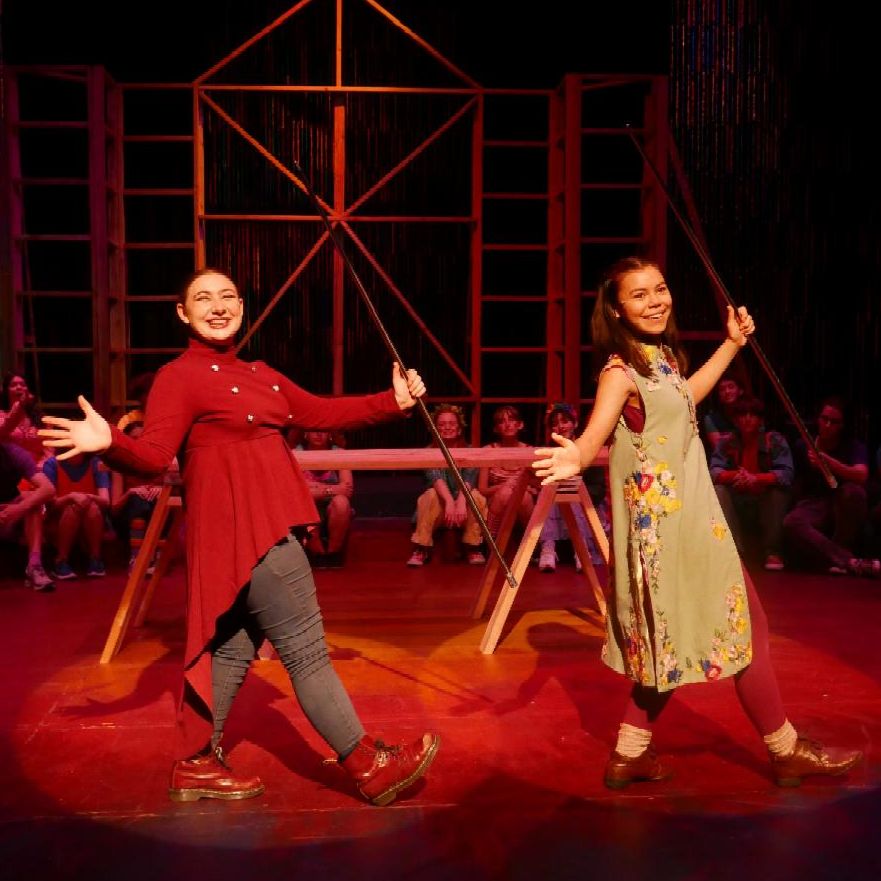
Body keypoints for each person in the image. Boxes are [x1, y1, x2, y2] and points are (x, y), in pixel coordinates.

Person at [40, 267, 439, 806]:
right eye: (203, 298)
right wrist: (109, 441)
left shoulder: (262, 375)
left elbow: (323, 411)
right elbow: (154, 456)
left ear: (243, 308)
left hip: (259, 527)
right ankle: (368, 764)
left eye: (227, 296)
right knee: (306, 652)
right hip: (249, 531)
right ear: (183, 314)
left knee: (229, 649)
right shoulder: (179, 377)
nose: (218, 306)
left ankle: (195, 763)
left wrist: (392, 401)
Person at [532, 255, 861, 789]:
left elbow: (685, 395)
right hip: (668, 533)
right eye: (639, 295)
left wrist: (732, 344)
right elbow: (594, 436)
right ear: (615, 309)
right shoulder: (620, 372)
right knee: (746, 626)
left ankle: (630, 753)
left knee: (670, 638)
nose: (655, 301)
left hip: (692, 520)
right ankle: (785, 750)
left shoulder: (658, 359)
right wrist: (578, 455)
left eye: (660, 289)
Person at [782, 395, 880, 578]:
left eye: (834, 422)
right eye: (824, 419)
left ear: (842, 425)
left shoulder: (853, 445)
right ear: (818, 419)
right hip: (813, 503)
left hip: (841, 503)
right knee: (791, 522)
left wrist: (828, 462)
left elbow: (861, 474)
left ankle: (839, 555)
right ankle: (848, 561)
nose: (827, 425)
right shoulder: (803, 444)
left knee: (854, 492)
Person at [709, 394, 793, 571]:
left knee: (778, 493)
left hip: (764, 498)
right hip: (738, 498)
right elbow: (714, 472)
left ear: (760, 419)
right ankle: (734, 552)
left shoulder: (773, 440)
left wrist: (756, 479)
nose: (747, 419)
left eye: (753, 414)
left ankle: (773, 552)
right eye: (743, 414)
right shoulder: (727, 441)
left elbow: (786, 473)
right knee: (718, 490)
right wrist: (736, 476)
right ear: (735, 419)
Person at [406, 403, 488, 567]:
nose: (447, 427)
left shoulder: (470, 451)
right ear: (435, 429)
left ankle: (472, 547)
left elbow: (470, 479)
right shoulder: (428, 452)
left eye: (451, 423)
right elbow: (435, 477)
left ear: (459, 429)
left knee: (476, 497)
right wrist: (450, 501)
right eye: (442, 424)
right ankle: (421, 548)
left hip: (463, 510)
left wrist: (461, 502)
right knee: (430, 495)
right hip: (441, 509)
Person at [536, 402, 610, 573]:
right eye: (555, 423)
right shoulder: (548, 452)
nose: (560, 427)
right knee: (551, 491)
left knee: (568, 492)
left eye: (564, 421)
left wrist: (576, 490)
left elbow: (598, 489)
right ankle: (548, 547)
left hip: (587, 506)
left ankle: (581, 550)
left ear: (575, 424)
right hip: (558, 509)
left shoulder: (587, 449)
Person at [42, 450, 112, 578]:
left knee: (92, 508)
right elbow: (51, 504)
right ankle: (61, 560)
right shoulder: (52, 464)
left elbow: (105, 501)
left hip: (91, 516)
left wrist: (88, 497)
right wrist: (71, 497)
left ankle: (95, 558)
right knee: (72, 508)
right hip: (59, 518)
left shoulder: (97, 463)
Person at [291, 428, 354, 568]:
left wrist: (314, 487)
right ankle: (317, 553)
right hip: (307, 508)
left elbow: (347, 490)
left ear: (330, 433)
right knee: (304, 501)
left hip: (332, 509)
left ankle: (333, 553)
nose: (319, 434)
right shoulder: (295, 454)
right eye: (313, 430)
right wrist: (333, 489)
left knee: (341, 502)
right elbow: (298, 492)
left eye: (323, 430)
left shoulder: (339, 453)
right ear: (305, 433)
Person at [0, 441, 55, 591]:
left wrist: (18, 509)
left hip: (8, 515)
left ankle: (34, 565)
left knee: (31, 499)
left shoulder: (12, 452)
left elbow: (48, 489)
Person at [478, 404, 538, 537]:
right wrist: (505, 485)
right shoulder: (488, 450)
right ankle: (492, 540)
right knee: (505, 493)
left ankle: (531, 542)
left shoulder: (530, 451)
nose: (507, 424)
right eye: (502, 421)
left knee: (524, 496)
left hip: (524, 504)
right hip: (496, 502)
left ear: (520, 425)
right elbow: (482, 489)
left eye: (511, 419)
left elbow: (538, 485)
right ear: (496, 428)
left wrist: (523, 486)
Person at [0, 372, 47, 466]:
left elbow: (48, 448)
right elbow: (5, 428)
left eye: (23, 385)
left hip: (39, 468)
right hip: (11, 469)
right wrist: (20, 405)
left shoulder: (39, 417)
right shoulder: (1, 415)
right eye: (13, 385)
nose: (19, 387)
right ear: (6, 391)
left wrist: (42, 466)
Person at [701, 370, 744, 454]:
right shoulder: (711, 419)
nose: (727, 392)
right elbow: (718, 448)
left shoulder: (750, 414)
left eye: (731, 387)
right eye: (722, 389)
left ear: (740, 391)